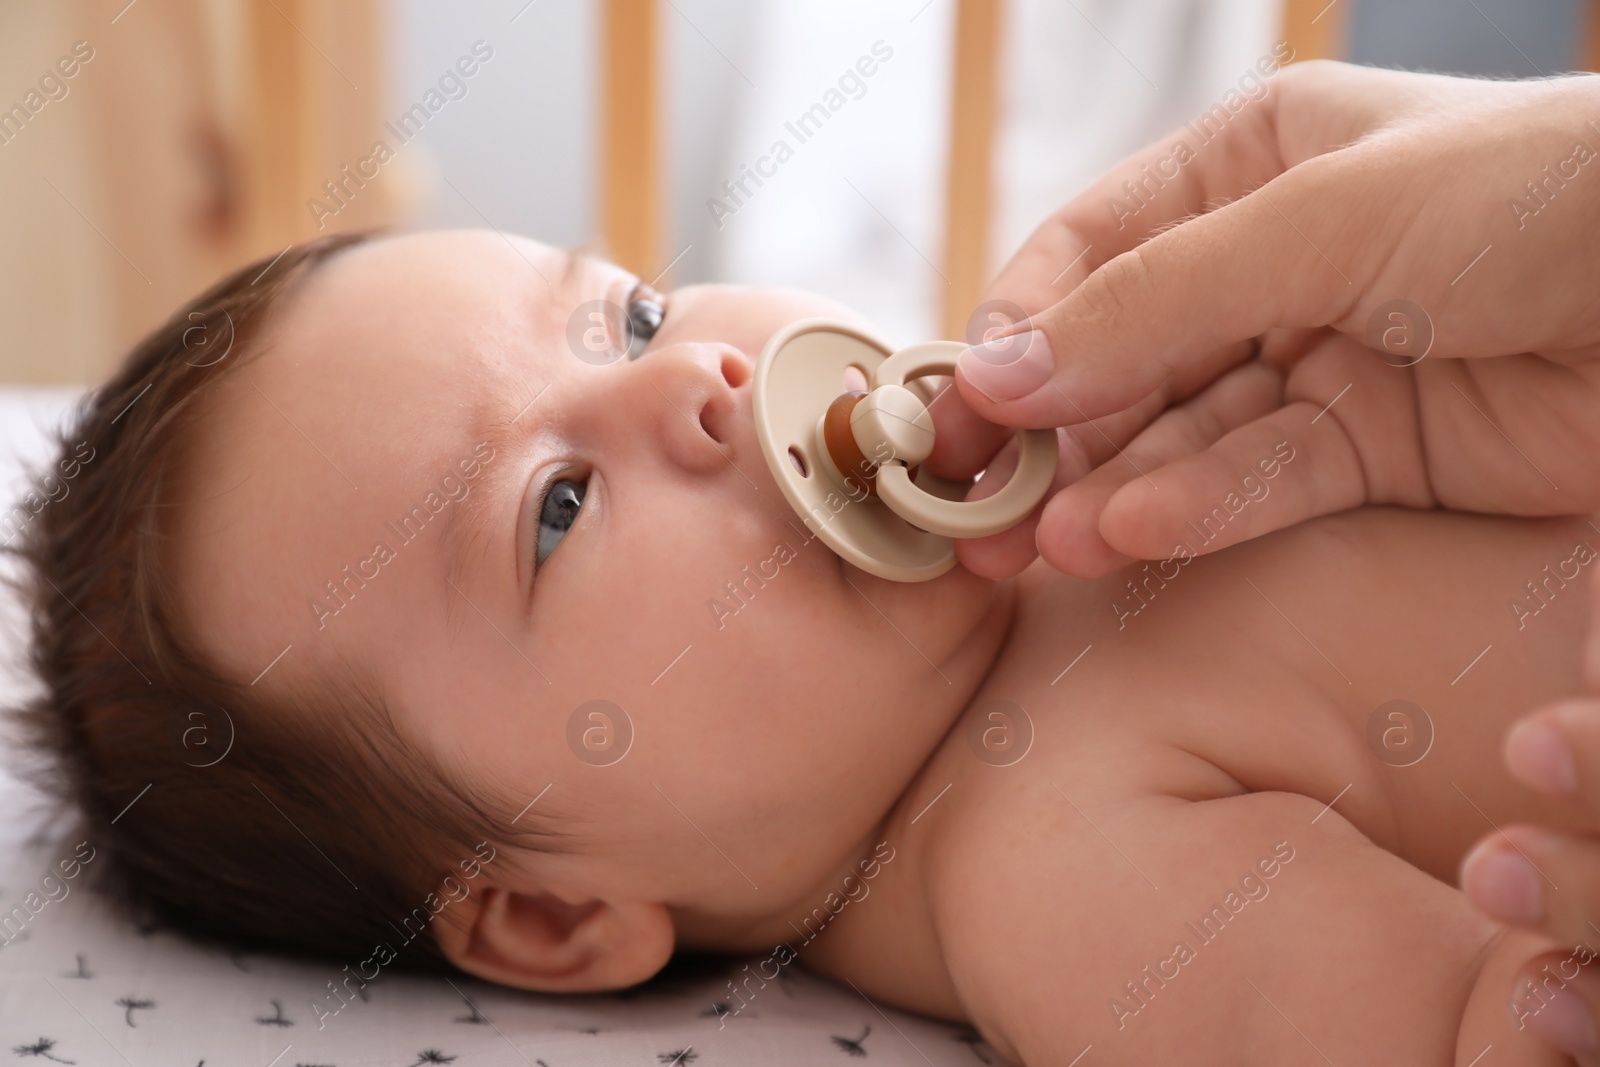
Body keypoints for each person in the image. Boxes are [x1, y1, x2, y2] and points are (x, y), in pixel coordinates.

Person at [10, 227, 1595, 1064]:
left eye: (626, 313)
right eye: (557, 511)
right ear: (554, 912)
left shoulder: (1092, 419)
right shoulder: (1061, 870)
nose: (697, 373)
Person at [934, 59, 1600, 1056]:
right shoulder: (1032, 864)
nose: (699, 378)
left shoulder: (1107, 477)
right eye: (598, 493)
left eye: (646, 318)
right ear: (603, 914)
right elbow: (1495, 1028)